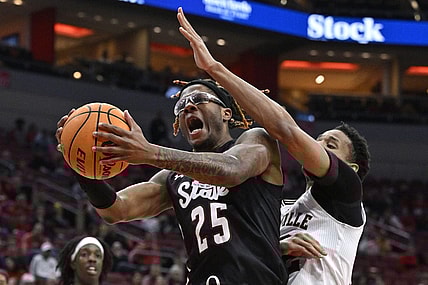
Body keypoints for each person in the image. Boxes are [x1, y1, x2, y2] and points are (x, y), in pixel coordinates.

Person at [176, 7, 371, 285]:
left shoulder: (348, 193)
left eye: (331, 144)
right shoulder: (283, 207)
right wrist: (280, 246)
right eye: (319, 139)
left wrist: (214, 69)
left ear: (349, 167)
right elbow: (252, 253)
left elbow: (285, 129)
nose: (318, 145)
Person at [56, 77, 288, 284]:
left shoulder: (256, 140)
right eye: (181, 106)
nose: (188, 106)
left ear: (226, 112)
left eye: (199, 98)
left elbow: (232, 171)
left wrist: (150, 153)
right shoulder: (173, 177)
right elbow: (117, 210)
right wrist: (81, 164)